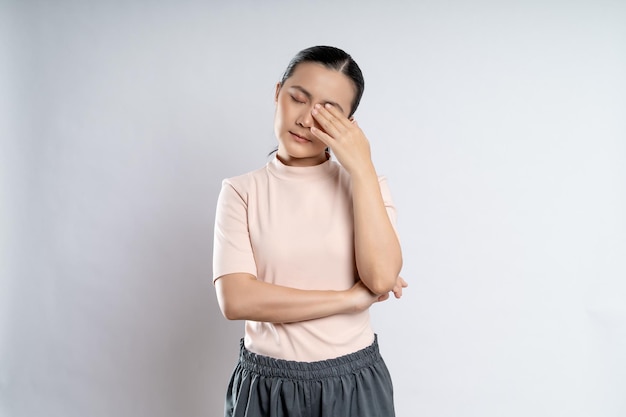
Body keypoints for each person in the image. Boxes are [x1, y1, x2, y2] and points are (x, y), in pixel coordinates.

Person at [212, 45, 407, 417]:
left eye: (327, 113)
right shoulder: (241, 191)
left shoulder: (368, 186)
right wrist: (347, 299)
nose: (305, 120)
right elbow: (236, 300)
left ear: (350, 125)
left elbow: (380, 278)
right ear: (277, 93)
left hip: (353, 382)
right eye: (297, 99)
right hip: (267, 385)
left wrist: (361, 166)